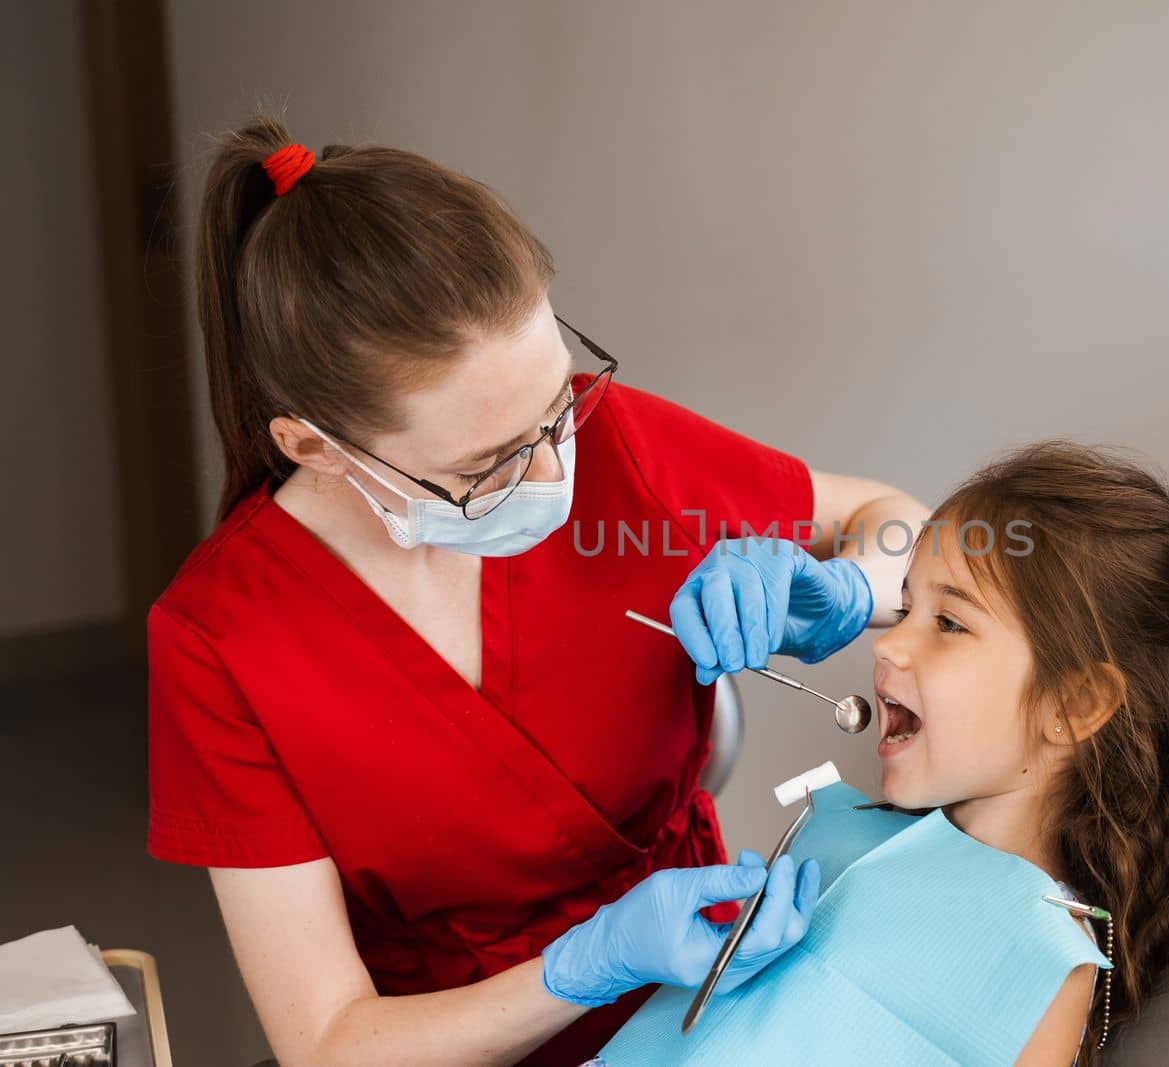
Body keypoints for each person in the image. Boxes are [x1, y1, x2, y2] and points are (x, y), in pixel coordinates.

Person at [146, 113, 928, 1067]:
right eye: (486, 466)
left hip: (721, 1000)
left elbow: (903, 521)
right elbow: (328, 1042)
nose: (557, 474)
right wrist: (584, 965)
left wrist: (850, 581)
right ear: (313, 445)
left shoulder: (613, 449)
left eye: (560, 406)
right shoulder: (220, 638)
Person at [591, 439, 1169, 1066]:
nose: (886, 643)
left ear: (1073, 705)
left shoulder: (1038, 957)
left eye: (949, 623)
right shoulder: (841, 834)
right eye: (903, 606)